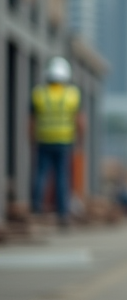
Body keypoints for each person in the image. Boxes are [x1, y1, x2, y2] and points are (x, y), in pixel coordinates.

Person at [31, 56, 82, 227]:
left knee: (41, 174)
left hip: (43, 140)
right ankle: (62, 214)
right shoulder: (72, 94)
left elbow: (31, 121)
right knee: (62, 178)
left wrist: (32, 139)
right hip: (64, 142)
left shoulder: (39, 94)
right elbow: (80, 121)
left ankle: (37, 209)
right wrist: (79, 139)